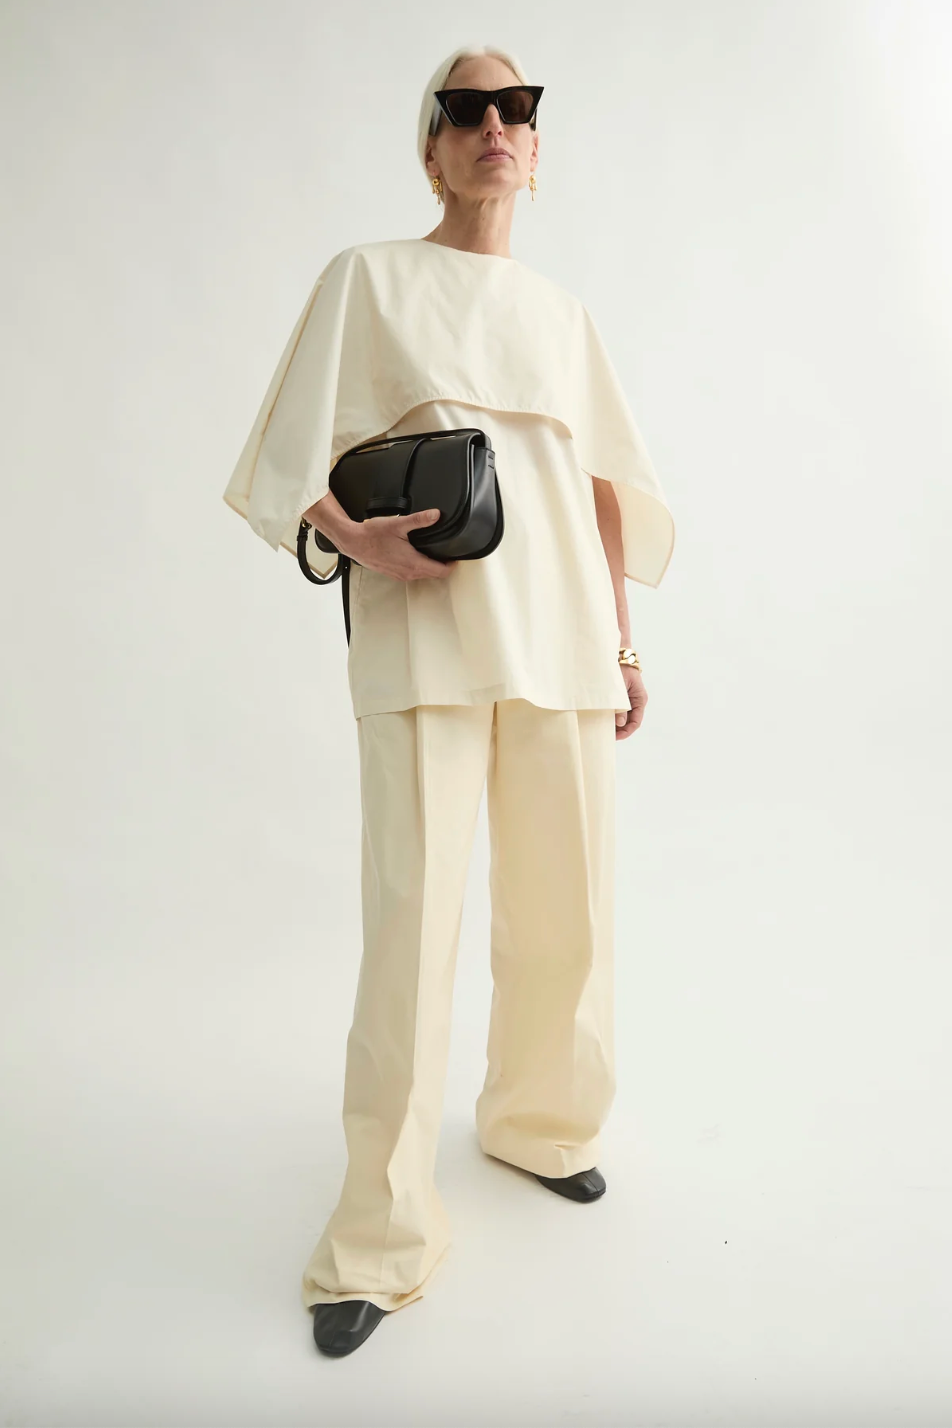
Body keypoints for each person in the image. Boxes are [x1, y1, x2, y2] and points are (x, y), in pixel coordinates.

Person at [223, 44, 675, 1358]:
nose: (493, 125)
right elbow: (287, 457)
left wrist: (624, 648)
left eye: (515, 108)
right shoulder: (368, 279)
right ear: (430, 149)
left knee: (569, 915)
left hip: (566, 644)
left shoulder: (564, 317)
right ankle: (379, 1234)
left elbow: (601, 490)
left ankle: (541, 1124)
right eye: (465, 109)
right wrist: (351, 539)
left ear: (536, 146)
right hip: (427, 634)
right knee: (411, 935)